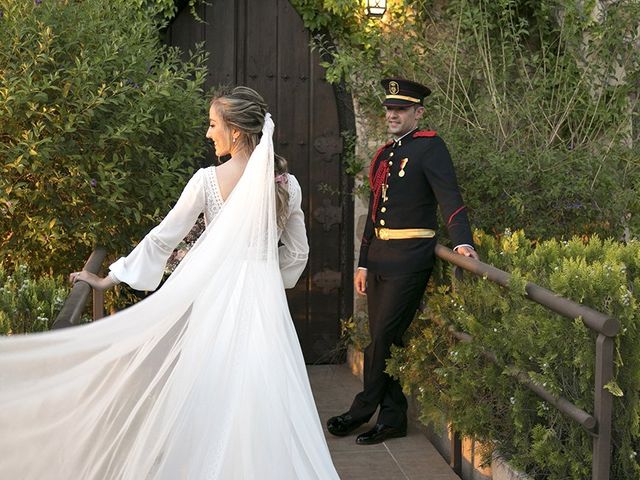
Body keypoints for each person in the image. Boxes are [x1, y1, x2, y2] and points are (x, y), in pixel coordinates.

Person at [0, 87, 340, 479]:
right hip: (265, 307)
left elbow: (165, 237)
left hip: (214, 304)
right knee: (263, 395)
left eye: (213, 125)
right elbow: (298, 253)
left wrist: (110, 278)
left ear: (236, 132)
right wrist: (264, 275)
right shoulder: (287, 185)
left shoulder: (207, 182)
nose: (208, 133)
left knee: (209, 390)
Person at [327, 78, 479, 445]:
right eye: (389, 109)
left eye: (401, 109)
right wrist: (363, 263)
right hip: (379, 259)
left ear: (418, 113)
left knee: (380, 339)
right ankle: (393, 419)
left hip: (411, 259)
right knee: (386, 341)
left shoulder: (431, 149)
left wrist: (462, 242)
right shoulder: (383, 154)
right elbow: (375, 213)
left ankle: (361, 410)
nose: (392, 115)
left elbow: (450, 198)